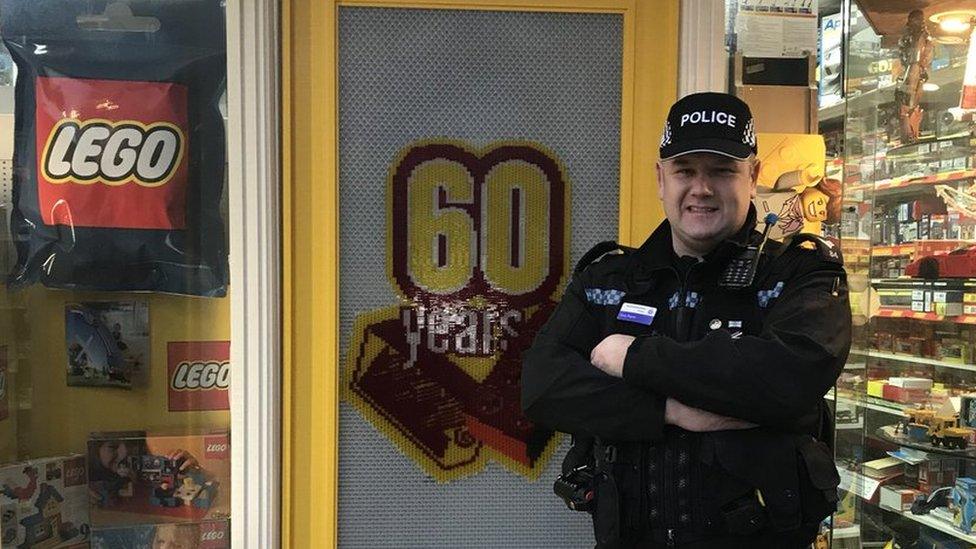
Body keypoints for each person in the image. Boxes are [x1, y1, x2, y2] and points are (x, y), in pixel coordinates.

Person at [521, 92, 851, 548]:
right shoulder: (610, 278)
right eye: (685, 170)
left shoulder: (799, 273)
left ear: (752, 176)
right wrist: (671, 411)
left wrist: (633, 357)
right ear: (661, 179)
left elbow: (790, 375)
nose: (701, 188)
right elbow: (543, 386)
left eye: (721, 170)